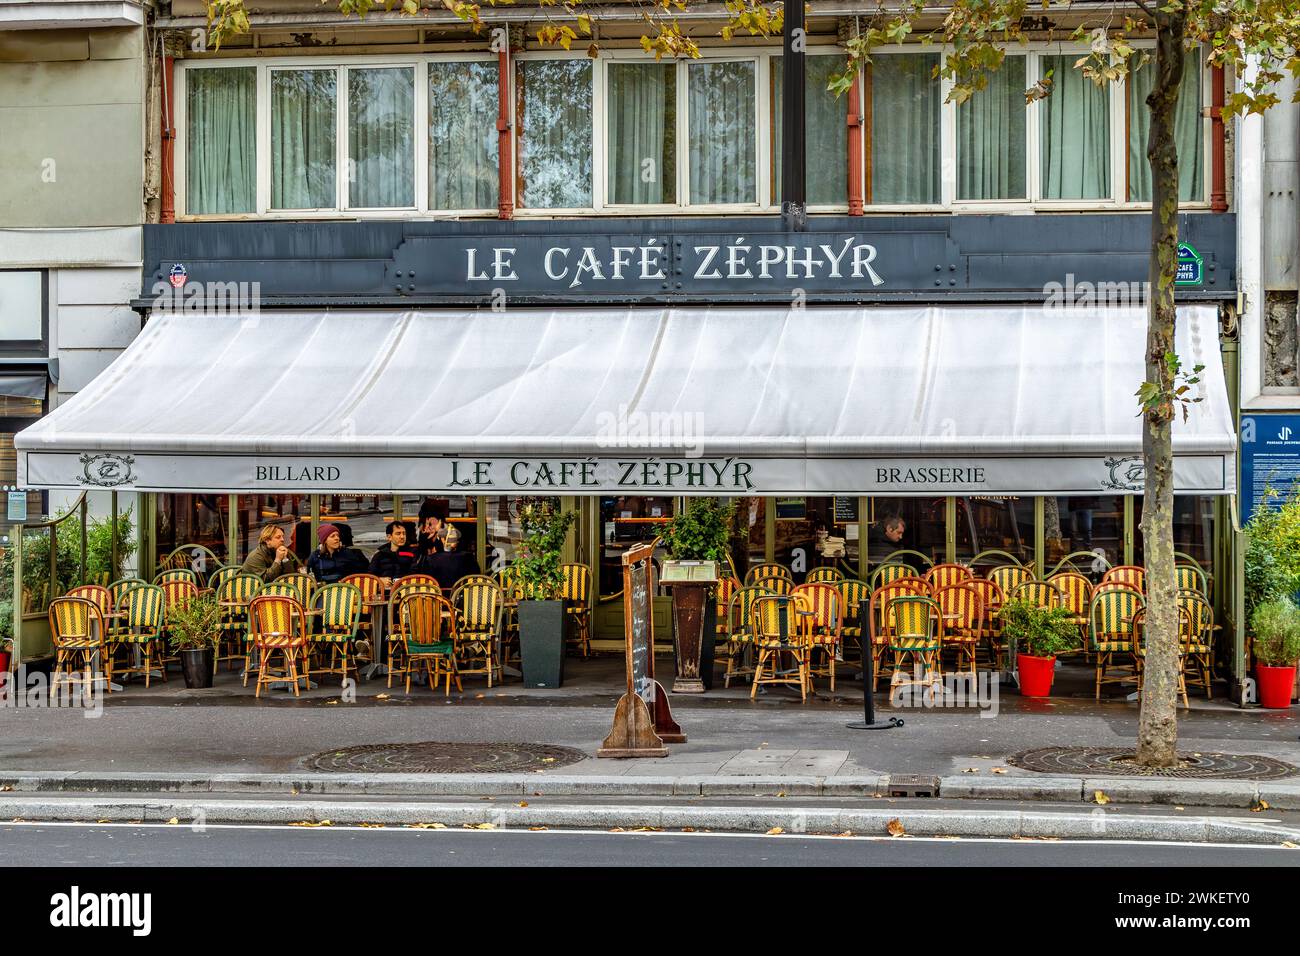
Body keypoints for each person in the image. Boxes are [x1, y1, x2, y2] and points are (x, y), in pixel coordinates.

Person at [424, 525, 480, 593]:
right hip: (463, 599)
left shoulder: (431, 559)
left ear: (442, 540)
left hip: (438, 600)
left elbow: (425, 584)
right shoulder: (468, 557)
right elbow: (476, 580)